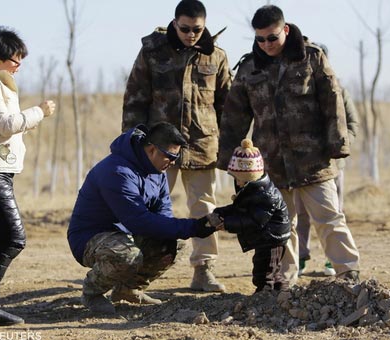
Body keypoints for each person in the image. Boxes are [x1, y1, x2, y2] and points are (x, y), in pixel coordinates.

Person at [217, 5, 360, 288]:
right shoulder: (249, 68)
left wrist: (337, 144)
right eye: (260, 39)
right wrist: (228, 160)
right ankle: (285, 281)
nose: (266, 44)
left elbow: (333, 103)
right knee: (280, 224)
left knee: (329, 218)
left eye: (271, 38)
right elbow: (234, 116)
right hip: (271, 162)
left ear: (285, 29)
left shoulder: (312, 58)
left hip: (313, 159)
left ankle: (348, 274)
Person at [122, 0, 232, 293]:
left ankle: (204, 269)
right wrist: (132, 142)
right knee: (148, 206)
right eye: (185, 28)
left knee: (204, 206)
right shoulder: (153, 51)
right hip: (158, 147)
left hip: (201, 146)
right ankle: (136, 270)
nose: (191, 34)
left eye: (197, 29)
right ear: (174, 23)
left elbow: (227, 105)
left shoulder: (216, 57)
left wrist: (229, 145)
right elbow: (135, 97)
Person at [67, 122, 218, 315]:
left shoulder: (158, 172)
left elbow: (162, 216)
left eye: (176, 157)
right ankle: (92, 293)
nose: (173, 163)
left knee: (173, 243)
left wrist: (196, 227)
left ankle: (129, 290)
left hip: (125, 234)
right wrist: (194, 227)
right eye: (170, 156)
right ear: (152, 149)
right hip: (90, 237)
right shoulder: (117, 171)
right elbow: (137, 220)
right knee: (126, 255)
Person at [0, 27, 55, 327]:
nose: (18, 65)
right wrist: (39, 112)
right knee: (14, 237)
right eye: (14, 59)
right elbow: (4, 123)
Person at [297, 43, 360, 277]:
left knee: (333, 213)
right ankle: (299, 258)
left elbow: (352, 125)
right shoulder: (297, 89)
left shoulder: (339, 90)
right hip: (301, 166)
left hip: (332, 166)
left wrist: (338, 146)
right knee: (299, 215)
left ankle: (334, 263)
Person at [211, 139, 291, 293]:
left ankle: (271, 295)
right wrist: (221, 212)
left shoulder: (266, 195)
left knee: (269, 271)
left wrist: (226, 224)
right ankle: (268, 291)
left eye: (239, 179)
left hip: (274, 238)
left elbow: (254, 221)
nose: (237, 183)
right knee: (261, 266)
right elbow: (239, 209)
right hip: (265, 238)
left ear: (250, 177)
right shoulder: (252, 190)